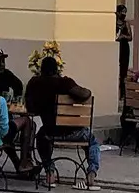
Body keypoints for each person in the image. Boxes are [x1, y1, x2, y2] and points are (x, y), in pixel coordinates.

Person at [26, 55, 100, 185]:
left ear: (41, 70)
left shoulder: (34, 83)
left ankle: (50, 172)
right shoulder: (64, 83)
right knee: (92, 142)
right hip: (74, 132)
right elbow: (84, 94)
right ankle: (92, 172)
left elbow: (30, 109)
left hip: (50, 132)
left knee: (41, 137)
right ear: (57, 70)